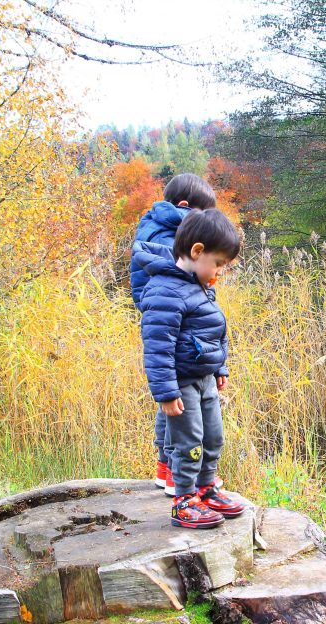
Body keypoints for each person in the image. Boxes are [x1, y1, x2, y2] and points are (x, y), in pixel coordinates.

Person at [137, 208, 245, 528]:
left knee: (213, 436)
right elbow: (158, 346)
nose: (219, 272)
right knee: (189, 441)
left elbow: (212, 329)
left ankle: (206, 488)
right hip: (182, 384)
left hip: (205, 379)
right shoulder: (165, 290)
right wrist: (166, 393)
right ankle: (184, 499)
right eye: (218, 263)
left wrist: (220, 366)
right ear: (197, 251)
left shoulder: (200, 285)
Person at [130, 173, 216, 496]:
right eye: (202, 215)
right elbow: (179, 284)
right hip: (174, 320)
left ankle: (165, 467)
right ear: (184, 207)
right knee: (177, 399)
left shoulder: (157, 226)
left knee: (173, 400)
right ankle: (173, 471)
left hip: (169, 316)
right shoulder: (172, 237)